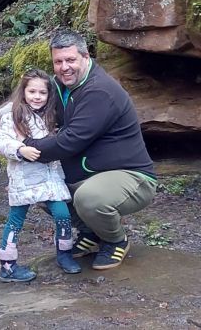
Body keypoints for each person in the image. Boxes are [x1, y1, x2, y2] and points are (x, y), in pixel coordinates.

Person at [24, 29, 157, 270]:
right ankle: (91, 232)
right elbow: (23, 107)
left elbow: (70, 141)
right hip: (88, 173)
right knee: (39, 186)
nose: (64, 67)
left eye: (70, 60)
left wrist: (26, 148)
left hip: (131, 176)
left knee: (89, 199)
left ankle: (115, 240)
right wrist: (10, 138)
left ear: (86, 57)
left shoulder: (99, 91)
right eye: (58, 62)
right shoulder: (58, 86)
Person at [0, 67, 82, 282]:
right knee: (16, 219)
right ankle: (8, 265)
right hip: (24, 178)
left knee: (62, 214)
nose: (37, 97)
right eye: (32, 91)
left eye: (42, 92)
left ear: (49, 95)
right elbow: (1, 141)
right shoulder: (13, 116)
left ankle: (64, 254)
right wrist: (20, 150)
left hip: (50, 178)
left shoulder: (51, 116)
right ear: (23, 91)